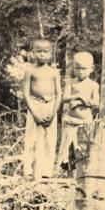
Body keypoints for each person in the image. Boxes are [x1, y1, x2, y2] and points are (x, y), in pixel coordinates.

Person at [22, 39, 62, 180]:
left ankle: (47, 172)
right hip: (35, 105)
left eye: (45, 51)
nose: (42, 54)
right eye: (39, 51)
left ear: (51, 54)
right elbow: (26, 94)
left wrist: (53, 114)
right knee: (32, 139)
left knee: (50, 140)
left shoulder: (54, 72)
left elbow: (59, 94)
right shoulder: (30, 71)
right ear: (33, 53)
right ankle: (29, 171)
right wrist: (35, 114)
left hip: (51, 106)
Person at [56, 51, 100, 170]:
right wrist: (79, 97)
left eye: (84, 69)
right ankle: (68, 176)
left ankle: (83, 175)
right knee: (67, 151)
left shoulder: (93, 85)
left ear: (91, 68)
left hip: (85, 123)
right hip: (70, 122)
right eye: (77, 68)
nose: (81, 72)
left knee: (83, 149)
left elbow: (96, 102)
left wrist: (78, 103)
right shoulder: (71, 83)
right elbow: (64, 98)